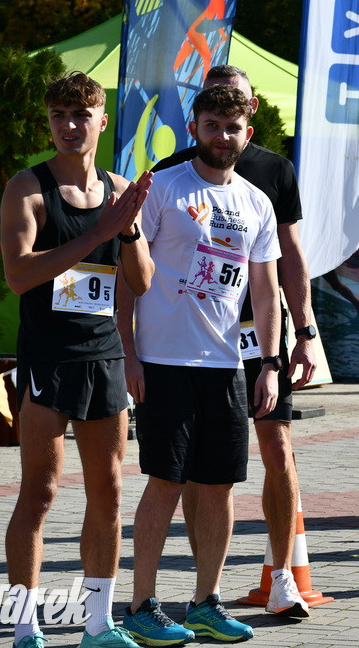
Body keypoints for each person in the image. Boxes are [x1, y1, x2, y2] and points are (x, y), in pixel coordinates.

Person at [118, 84, 281, 645]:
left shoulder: (257, 202)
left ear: (247, 134)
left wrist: (270, 363)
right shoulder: (162, 189)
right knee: (165, 482)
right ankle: (141, 604)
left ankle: (205, 603)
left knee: (218, 486)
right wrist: (129, 352)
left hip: (226, 365)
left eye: (231, 127)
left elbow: (265, 292)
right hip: (162, 361)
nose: (221, 136)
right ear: (194, 128)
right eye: (211, 124)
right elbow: (127, 277)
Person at [152, 64, 316, 619]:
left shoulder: (274, 173)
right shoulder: (169, 174)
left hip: (257, 336)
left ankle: (284, 576)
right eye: (215, 114)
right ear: (199, 119)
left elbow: (288, 259)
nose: (227, 126)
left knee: (277, 449)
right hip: (190, 340)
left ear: (251, 120)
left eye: (238, 111)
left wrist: (306, 332)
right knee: (201, 471)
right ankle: (207, 590)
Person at [0, 71, 153, 648]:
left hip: (104, 357)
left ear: (101, 120)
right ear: (48, 121)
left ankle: (97, 622)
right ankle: (23, 623)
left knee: (108, 493)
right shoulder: (28, 188)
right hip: (48, 358)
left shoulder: (119, 190)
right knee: (39, 491)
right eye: (58, 115)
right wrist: (98, 234)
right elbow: (19, 276)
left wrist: (129, 228)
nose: (68, 126)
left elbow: (140, 282)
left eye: (80, 115)